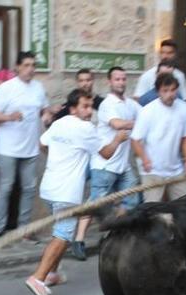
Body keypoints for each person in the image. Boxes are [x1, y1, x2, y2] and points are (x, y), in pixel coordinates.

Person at [24, 89, 128, 295]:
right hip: (66, 192)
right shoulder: (86, 128)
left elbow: (43, 144)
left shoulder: (60, 123)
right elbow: (106, 153)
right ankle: (38, 278)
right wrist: (118, 139)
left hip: (50, 187)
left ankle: (51, 274)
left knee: (60, 232)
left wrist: (60, 157)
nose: (90, 111)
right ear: (73, 108)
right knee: (63, 235)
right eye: (85, 106)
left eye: (91, 106)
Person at [72, 66, 143, 261]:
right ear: (110, 82)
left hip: (122, 164)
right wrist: (137, 122)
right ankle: (78, 240)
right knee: (96, 204)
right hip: (104, 164)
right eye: (117, 79)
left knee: (132, 199)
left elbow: (147, 113)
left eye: (123, 79)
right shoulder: (106, 104)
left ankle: (113, 236)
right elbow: (117, 124)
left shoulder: (130, 104)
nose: (121, 82)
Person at [0, 51, 53, 238]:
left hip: (30, 148)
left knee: (29, 189)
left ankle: (24, 229)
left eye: (33, 65)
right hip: (8, 148)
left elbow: (44, 109)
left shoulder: (38, 87)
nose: (30, 69)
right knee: (6, 188)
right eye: (26, 65)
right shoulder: (6, 88)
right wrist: (9, 116)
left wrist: (47, 114)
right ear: (17, 67)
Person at [131, 73, 186, 202]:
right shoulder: (147, 111)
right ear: (158, 92)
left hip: (176, 169)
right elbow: (135, 140)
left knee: (185, 206)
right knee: (151, 209)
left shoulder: (184, 108)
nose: (169, 94)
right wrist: (145, 159)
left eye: (172, 90)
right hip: (153, 170)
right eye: (165, 91)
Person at [133, 39, 186, 103]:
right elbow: (137, 100)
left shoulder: (180, 76)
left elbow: (185, 99)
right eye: (162, 52)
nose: (165, 56)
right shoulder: (147, 76)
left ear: (175, 55)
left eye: (169, 53)